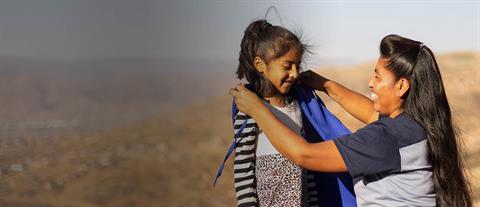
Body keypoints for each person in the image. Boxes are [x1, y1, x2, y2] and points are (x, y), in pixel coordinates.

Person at [229, 34, 472, 207]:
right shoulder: (414, 126)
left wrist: (258, 109)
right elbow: (370, 112)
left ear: (401, 86)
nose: (370, 83)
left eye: (377, 76)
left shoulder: (384, 139)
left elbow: (305, 155)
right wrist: (326, 85)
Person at [216, 17, 356, 207]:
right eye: (287, 66)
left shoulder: (298, 105)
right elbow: (244, 169)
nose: (295, 73)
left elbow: (308, 169)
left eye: (298, 65)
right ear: (260, 65)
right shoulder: (250, 107)